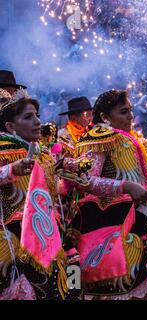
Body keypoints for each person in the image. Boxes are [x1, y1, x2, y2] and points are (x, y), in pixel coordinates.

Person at [64, 89, 147, 299]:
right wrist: (124, 187)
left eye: (130, 111)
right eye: (123, 112)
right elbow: (85, 181)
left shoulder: (135, 140)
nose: (130, 116)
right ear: (105, 117)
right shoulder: (98, 139)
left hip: (140, 217)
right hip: (110, 219)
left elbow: (144, 181)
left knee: (143, 285)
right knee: (115, 285)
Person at [0, 91, 77, 300]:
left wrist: (70, 183)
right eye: (28, 117)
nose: (37, 122)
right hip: (16, 235)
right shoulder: (3, 149)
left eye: (36, 115)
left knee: (73, 275)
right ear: (10, 127)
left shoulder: (43, 152)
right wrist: (11, 170)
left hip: (50, 230)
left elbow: (51, 190)